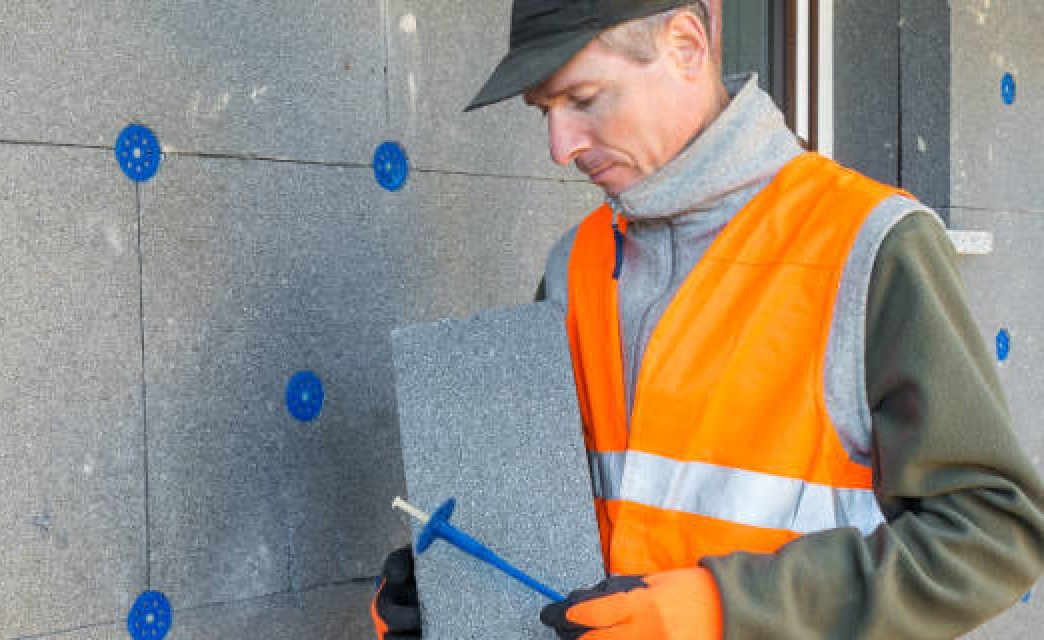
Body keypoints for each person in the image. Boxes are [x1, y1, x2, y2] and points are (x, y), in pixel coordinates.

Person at [373, 0, 1044, 638]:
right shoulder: (574, 263)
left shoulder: (870, 245)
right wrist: (449, 591)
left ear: (687, 46)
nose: (560, 144)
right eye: (545, 110)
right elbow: (549, 518)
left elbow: (992, 534)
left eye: (583, 99)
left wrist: (731, 611)